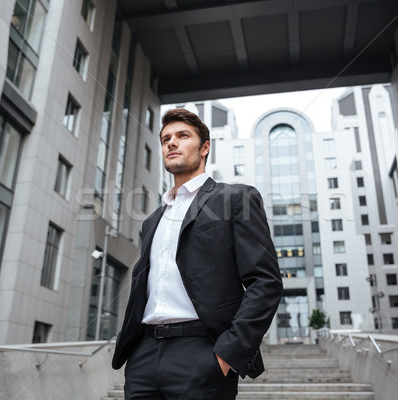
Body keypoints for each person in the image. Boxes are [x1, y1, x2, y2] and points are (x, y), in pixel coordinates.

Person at [112, 108, 283, 399]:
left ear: (204, 148)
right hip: (143, 357)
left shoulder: (235, 198)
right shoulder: (152, 220)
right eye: (166, 138)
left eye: (182, 136)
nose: (171, 143)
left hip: (202, 353)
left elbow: (265, 283)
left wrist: (226, 355)